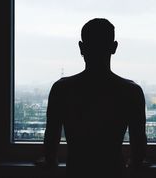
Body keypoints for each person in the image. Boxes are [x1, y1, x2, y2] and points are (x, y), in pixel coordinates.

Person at [43, 18, 147, 178]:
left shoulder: (62, 90)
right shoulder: (131, 92)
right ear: (114, 47)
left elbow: (51, 140)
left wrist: (50, 162)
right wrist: (136, 163)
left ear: (81, 48)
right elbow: (138, 145)